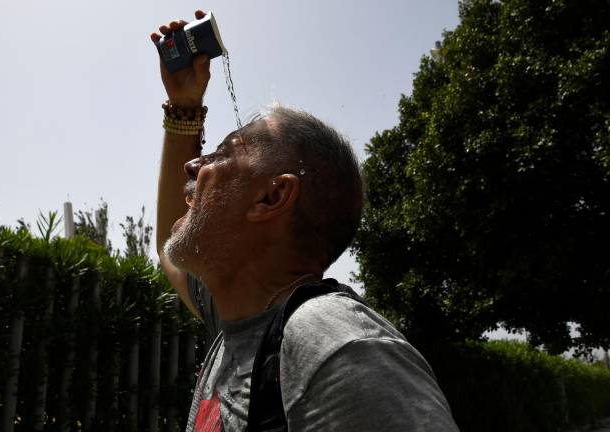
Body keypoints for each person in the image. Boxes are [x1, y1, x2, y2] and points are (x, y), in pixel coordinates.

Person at [152, 10, 460, 432]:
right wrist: (184, 111)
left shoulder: (336, 347)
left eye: (221, 153)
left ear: (272, 196)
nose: (192, 165)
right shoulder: (240, 323)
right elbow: (171, 241)